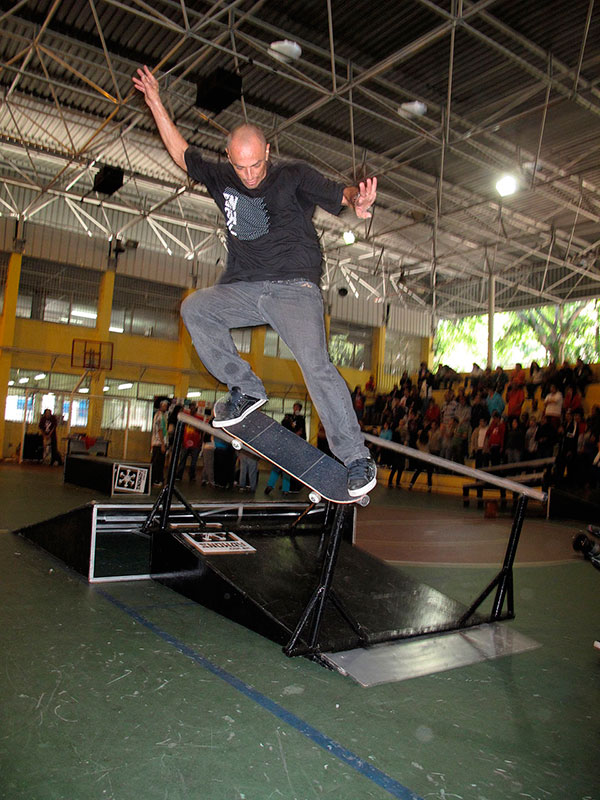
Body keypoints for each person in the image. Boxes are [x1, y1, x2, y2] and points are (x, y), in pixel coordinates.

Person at [132, 65, 377, 497]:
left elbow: (340, 194)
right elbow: (181, 152)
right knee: (195, 307)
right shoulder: (222, 177)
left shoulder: (292, 176)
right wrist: (154, 100)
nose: (249, 175)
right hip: (245, 289)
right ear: (231, 159)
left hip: (293, 288)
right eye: (242, 167)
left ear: (268, 150)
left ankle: (357, 457)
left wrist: (358, 200)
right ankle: (246, 387)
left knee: (315, 367)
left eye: (257, 164)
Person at [176, 402, 203, 482]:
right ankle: (179, 475)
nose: (192, 409)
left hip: (196, 443)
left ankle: (192, 476)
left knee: (194, 462)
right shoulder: (186, 418)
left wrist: (200, 441)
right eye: (191, 407)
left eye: (194, 407)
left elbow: (202, 431)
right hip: (186, 442)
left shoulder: (199, 419)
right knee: (182, 460)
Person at [150, 399, 169, 485]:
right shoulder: (160, 416)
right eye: (164, 405)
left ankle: (158, 478)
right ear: (161, 406)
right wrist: (162, 444)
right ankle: (155, 479)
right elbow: (160, 430)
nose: (166, 407)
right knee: (158, 462)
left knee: (159, 462)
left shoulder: (162, 415)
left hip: (159, 442)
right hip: (158, 443)